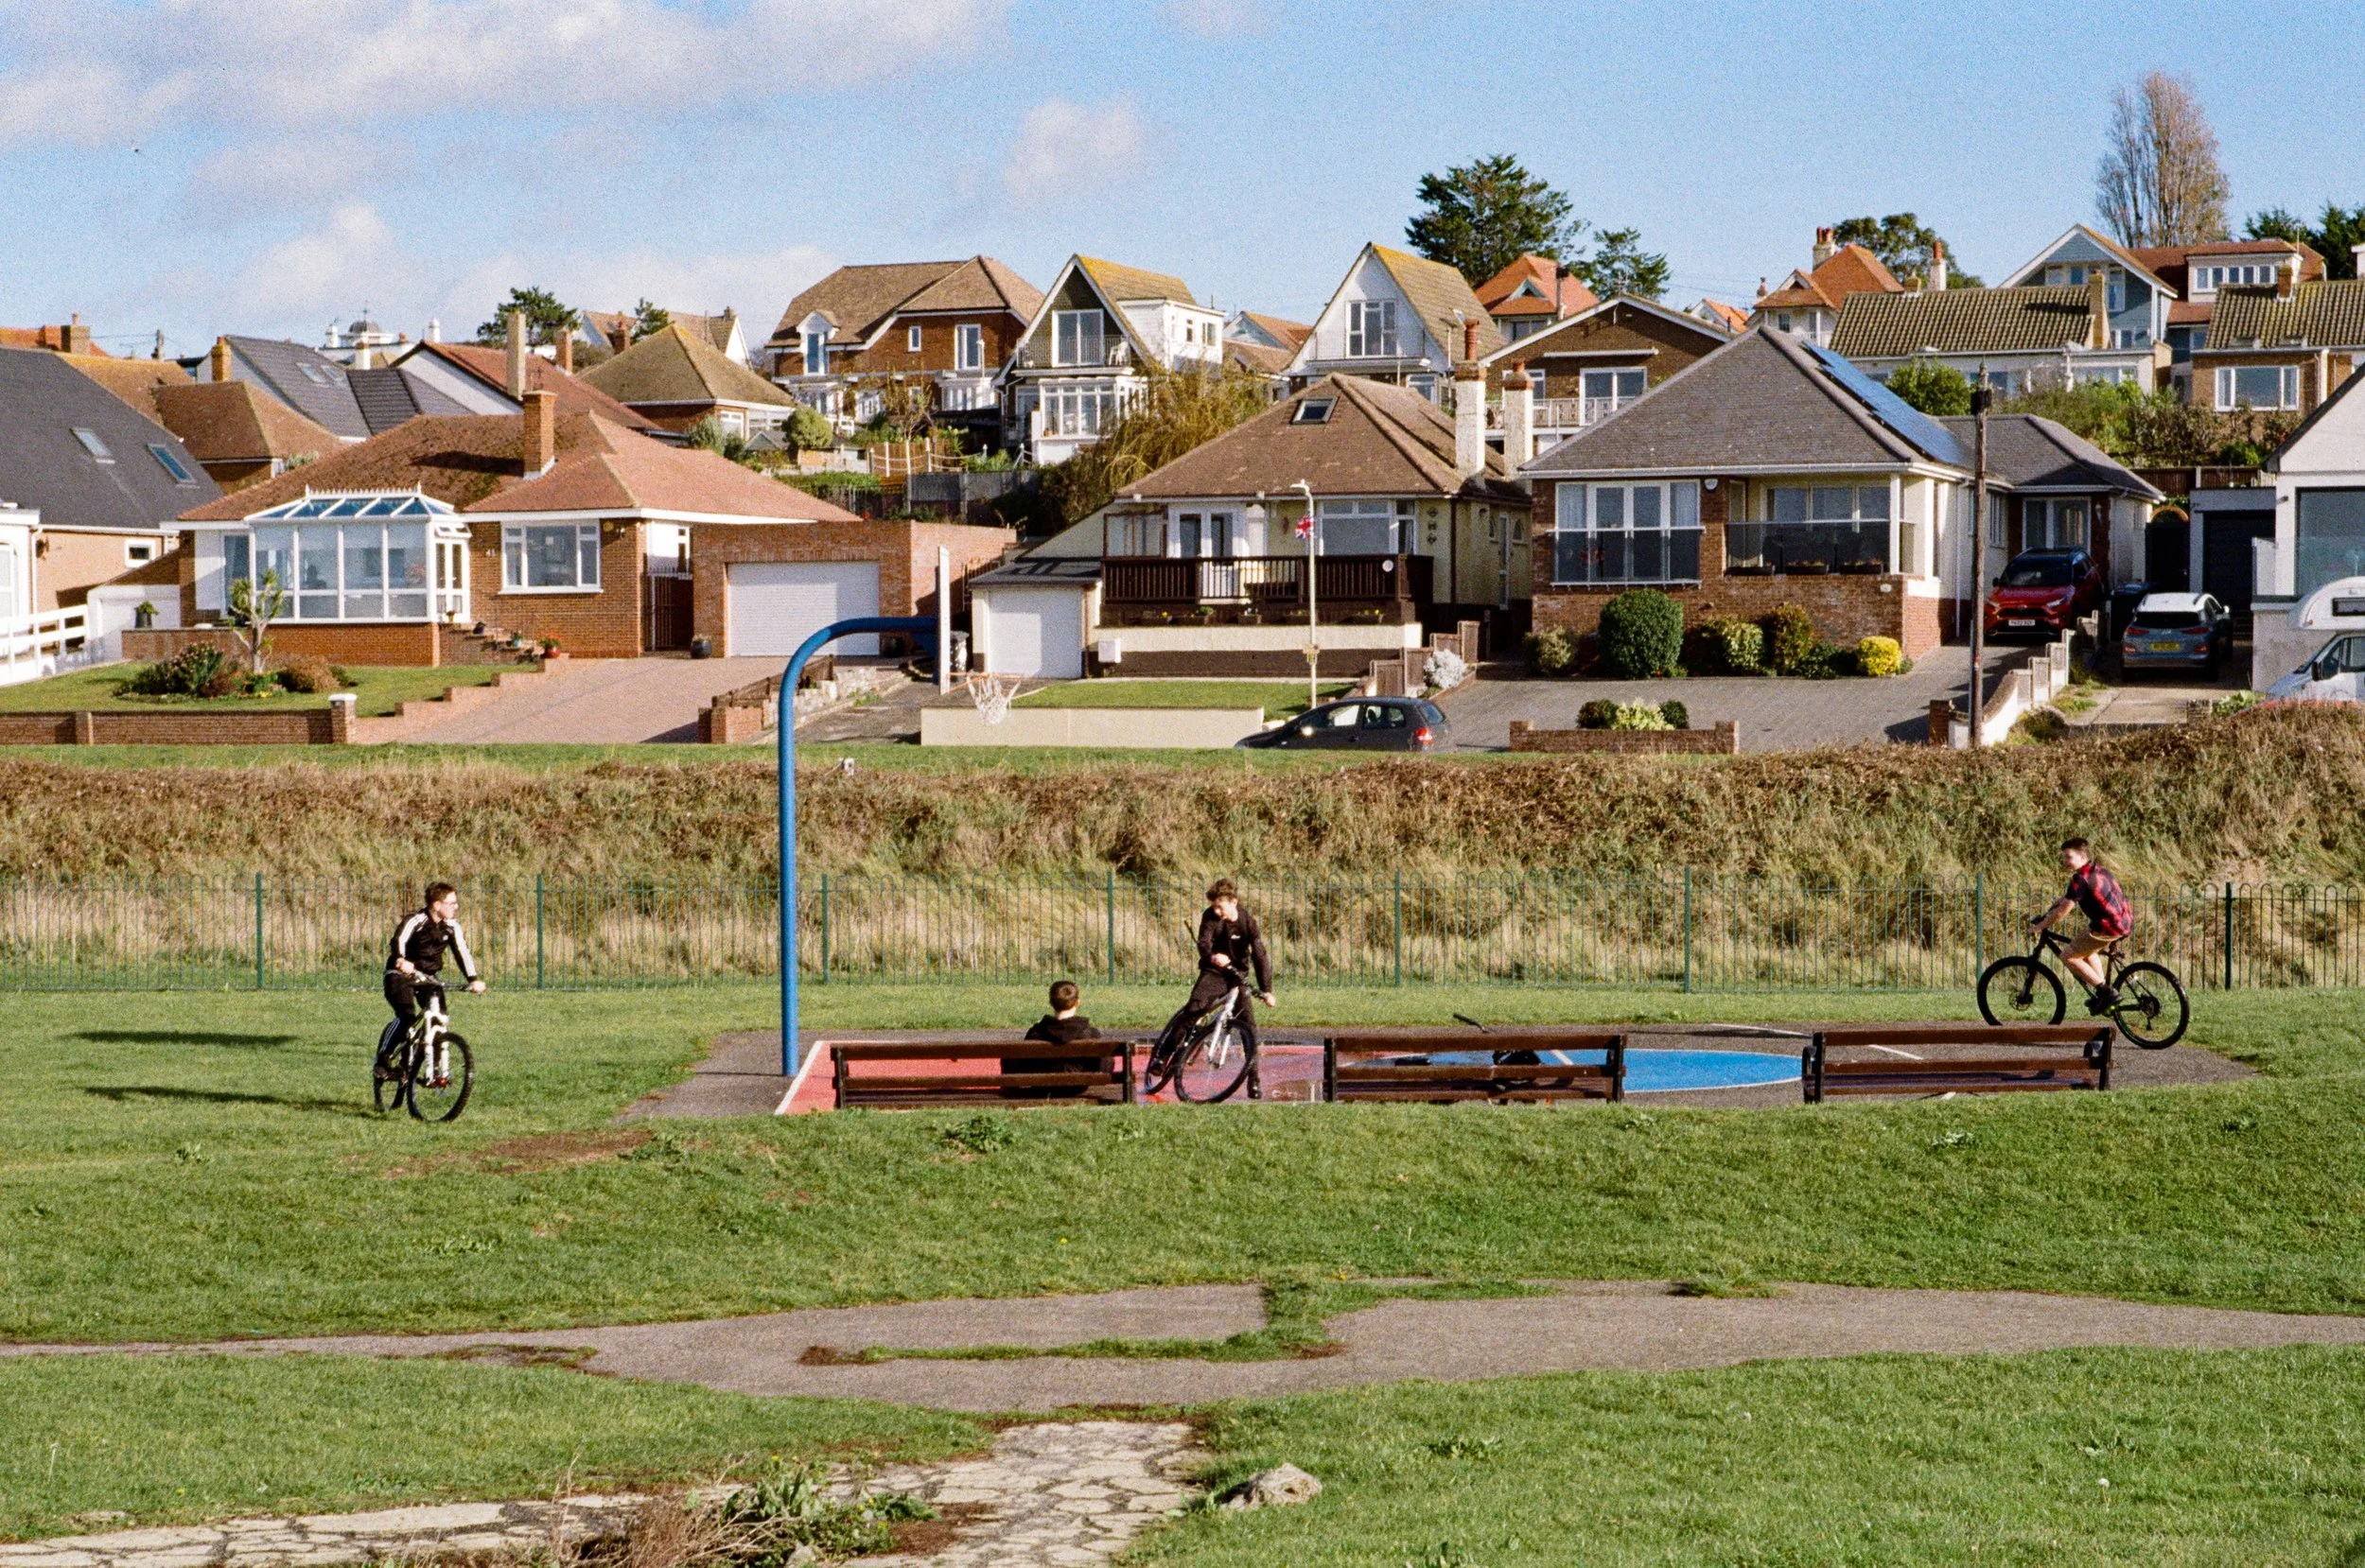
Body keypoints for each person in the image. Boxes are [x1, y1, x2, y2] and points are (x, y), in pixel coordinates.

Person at [1162, 879, 1277, 1092]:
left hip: (1237, 975)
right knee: (1194, 1010)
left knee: (1249, 1027)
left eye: (1220, 906)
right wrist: (1213, 956)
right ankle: (1163, 1055)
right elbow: (1203, 942)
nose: (1216, 910)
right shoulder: (1210, 917)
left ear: (1234, 902)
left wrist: (1267, 990)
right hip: (1213, 972)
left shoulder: (1248, 922)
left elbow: (1260, 955)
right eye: (1213, 906)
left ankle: (1253, 1079)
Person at [386, 883, 484, 1082]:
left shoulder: (452, 926)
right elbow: (399, 940)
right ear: (437, 904)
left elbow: (462, 953)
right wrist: (401, 959)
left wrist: (473, 979)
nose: (456, 907)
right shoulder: (416, 920)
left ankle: (437, 1068)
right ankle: (384, 1060)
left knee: (439, 1018)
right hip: (400, 975)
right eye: (452, 903)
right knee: (406, 1016)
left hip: (427, 978)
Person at [2031, 837, 2132, 1013]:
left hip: (2107, 926)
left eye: (2068, 857)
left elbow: (2063, 912)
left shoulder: (2080, 880)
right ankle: (2102, 996)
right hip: (2123, 921)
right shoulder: (2099, 870)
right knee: (2085, 950)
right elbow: (2066, 899)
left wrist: (2039, 927)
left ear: (2082, 856)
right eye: (2063, 857)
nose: (2064, 861)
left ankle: (2106, 991)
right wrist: (2049, 911)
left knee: (2068, 956)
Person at [1005, 979, 1108, 1099]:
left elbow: (1022, 1064)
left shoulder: (1037, 1032)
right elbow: (1105, 1066)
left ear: (1051, 1002)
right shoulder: (1090, 1033)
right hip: (1076, 1087)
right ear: (1077, 1003)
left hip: (1043, 1086)